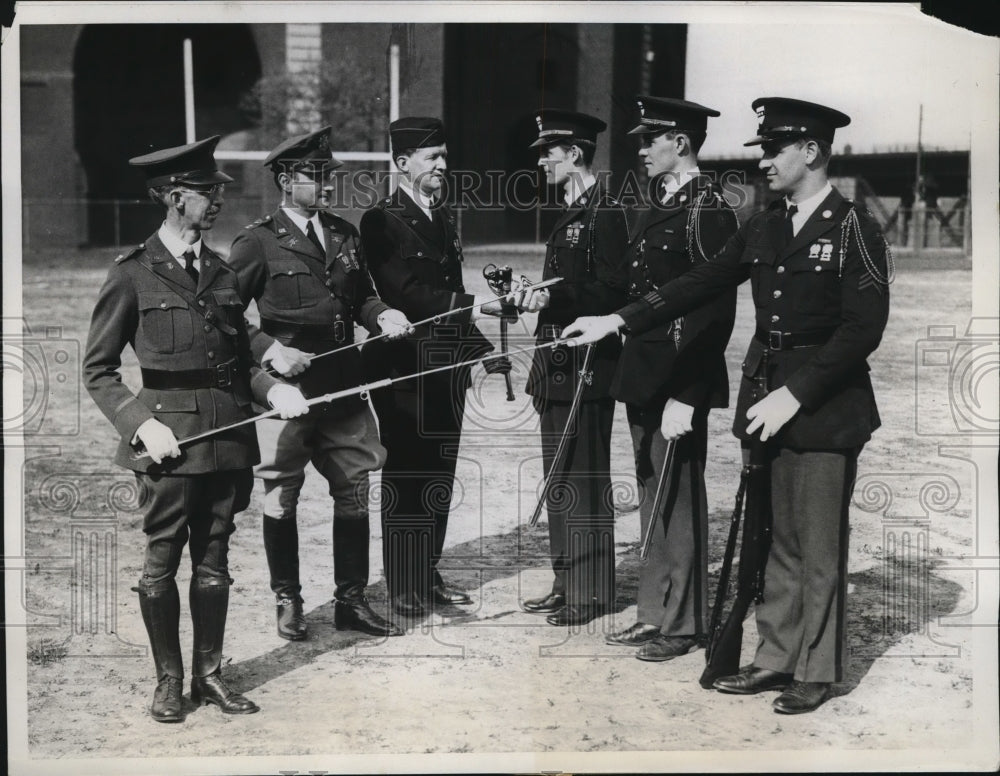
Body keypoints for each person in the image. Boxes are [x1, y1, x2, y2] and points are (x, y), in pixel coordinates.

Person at [562, 98, 892, 713]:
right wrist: (618, 317)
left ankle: (815, 671)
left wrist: (797, 393)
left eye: (774, 150)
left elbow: (861, 329)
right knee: (771, 539)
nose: (763, 160)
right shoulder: (767, 222)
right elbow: (701, 282)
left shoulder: (854, 227)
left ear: (811, 153)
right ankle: (774, 658)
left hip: (822, 404)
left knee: (816, 542)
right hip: (764, 395)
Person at [83, 136, 309, 722]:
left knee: (215, 562)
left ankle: (209, 676)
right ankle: (168, 682)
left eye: (216, 192)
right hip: (170, 443)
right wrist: (139, 425)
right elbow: (99, 371)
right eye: (205, 192)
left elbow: (240, 348)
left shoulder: (221, 269)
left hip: (230, 436)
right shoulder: (133, 273)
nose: (215, 202)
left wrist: (272, 385)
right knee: (162, 563)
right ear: (172, 196)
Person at [229, 126, 412, 641]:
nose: (329, 185)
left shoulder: (344, 233)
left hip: (344, 387)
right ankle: (288, 599)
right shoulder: (257, 242)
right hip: (288, 393)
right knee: (281, 496)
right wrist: (269, 352)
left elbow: (362, 299)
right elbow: (224, 316)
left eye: (331, 175)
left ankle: (350, 600)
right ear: (288, 181)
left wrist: (384, 314)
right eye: (317, 176)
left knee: (354, 491)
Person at [603, 97, 738, 661]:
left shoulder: (711, 211)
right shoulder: (656, 204)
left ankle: (683, 624)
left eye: (648, 140)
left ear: (678, 143)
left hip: (679, 378)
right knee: (653, 493)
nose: (640, 150)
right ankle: (654, 611)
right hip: (643, 372)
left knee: (678, 499)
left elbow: (715, 310)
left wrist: (690, 394)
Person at [359, 117, 506, 617]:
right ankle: (402, 581)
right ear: (402, 164)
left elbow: (447, 289)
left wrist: (483, 348)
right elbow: (406, 293)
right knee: (407, 473)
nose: (443, 166)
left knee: (439, 471)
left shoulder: (442, 215)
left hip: (448, 368)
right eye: (432, 158)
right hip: (405, 368)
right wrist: (478, 305)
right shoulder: (379, 220)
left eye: (445, 156)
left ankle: (427, 569)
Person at [514, 109, 629, 627]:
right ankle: (566, 581)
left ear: (575, 154)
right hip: (556, 364)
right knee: (559, 478)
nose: (541, 162)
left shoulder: (605, 211)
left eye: (549, 152)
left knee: (583, 477)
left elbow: (610, 291)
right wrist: (535, 294)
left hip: (587, 366)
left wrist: (550, 302)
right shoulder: (571, 208)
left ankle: (590, 591)